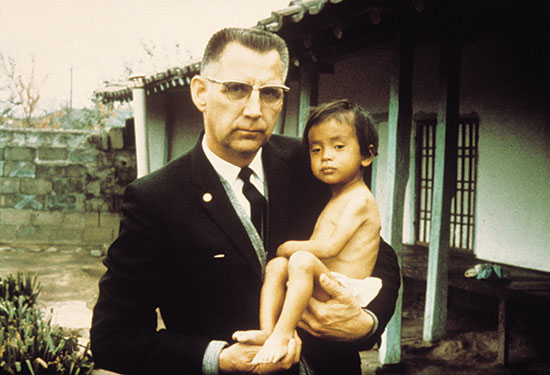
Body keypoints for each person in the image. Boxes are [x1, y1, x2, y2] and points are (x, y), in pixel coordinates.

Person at [90, 27, 400, 375]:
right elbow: (113, 337)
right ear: (201, 92)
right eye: (236, 89)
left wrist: (365, 322)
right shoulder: (156, 198)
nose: (255, 109)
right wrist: (219, 358)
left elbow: (379, 253)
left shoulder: (312, 164)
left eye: (270, 93)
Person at [234, 99, 384, 365]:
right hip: (324, 278)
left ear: (367, 155)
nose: (326, 156)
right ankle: (270, 331)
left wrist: (287, 246)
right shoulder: (335, 192)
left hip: (343, 287)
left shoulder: (359, 200)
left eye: (338, 147)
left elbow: (331, 248)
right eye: (316, 150)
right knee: (277, 266)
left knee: (298, 259)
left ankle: (283, 332)